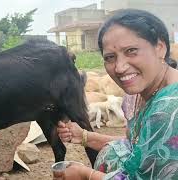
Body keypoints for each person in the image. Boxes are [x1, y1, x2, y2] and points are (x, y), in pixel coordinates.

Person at [56, 9, 178, 180]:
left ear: (160, 47)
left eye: (131, 51)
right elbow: (139, 145)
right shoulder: (137, 93)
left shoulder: (170, 110)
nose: (119, 67)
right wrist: (85, 136)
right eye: (110, 57)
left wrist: (86, 174)